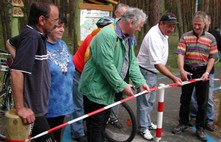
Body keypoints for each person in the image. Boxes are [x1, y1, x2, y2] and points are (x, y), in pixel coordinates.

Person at [78, 7, 150, 142]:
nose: (140, 29)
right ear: (131, 22)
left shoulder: (128, 36)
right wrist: (122, 85)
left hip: (108, 89)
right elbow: (106, 66)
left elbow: (132, 61)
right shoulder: (107, 35)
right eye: (140, 26)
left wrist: (140, 82)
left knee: (102, 124)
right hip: (96, 90)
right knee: (95, 127)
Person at [8, 1, 59, 142]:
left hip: (39, 106)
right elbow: (16, 72)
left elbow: (9, 42)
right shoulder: (32, 36)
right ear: (42, 20)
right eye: (54, 20)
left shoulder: (36, 34)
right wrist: (20, 108)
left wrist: (18, 57)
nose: (56, 24)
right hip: (32, 109)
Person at [172, 11, 218, 142]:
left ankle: (200, 128)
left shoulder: (211, 38)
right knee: (185, 98)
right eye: (194, 24)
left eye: (199, 25)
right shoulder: (185, 36)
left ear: (205, 24)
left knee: (202, 101)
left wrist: (207, 72)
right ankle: (183, 123)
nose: (196, 27)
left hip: (203, 71)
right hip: (188, 70)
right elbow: (180, 54)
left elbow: (212, 57)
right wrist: (181, 70)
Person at [136, 12, 182, 140]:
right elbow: (156, 63)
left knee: (150, 100)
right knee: (144, 101)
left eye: (173, 26)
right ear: (161, 23)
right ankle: (142, 128)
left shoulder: (162, 32)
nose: (171, 29)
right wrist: (173, 77)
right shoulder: (153, 36)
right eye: (169, 26)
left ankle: (146, 122)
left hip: (152, 72)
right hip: (146, 71)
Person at [71, 16, 114, 142]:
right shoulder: (94, 39)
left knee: (86, 107)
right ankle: (78, 133)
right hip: (78, 71)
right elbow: (93, 64)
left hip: (84, 71)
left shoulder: (103, 37)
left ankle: (90, 130)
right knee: (78, 105)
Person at [189, 14, 221, 132]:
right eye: (196, 23)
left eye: (203, 22)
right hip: (194, 71)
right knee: (193, 96)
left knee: (208, 97)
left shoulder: (214, 35)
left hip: (209, 72)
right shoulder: (190, 35)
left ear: (207, 23)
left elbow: (215, 53)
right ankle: (193, 117)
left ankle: (209, 120)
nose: (199, 26)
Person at [45, 15, 75, 142]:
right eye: (58, 26)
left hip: (64, 104)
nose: (62, 29)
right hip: (47, 106)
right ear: (48, 27)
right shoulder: (40, 46)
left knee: (58, 137)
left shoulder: (62, 44)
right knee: (47, 138)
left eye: (62, 26)